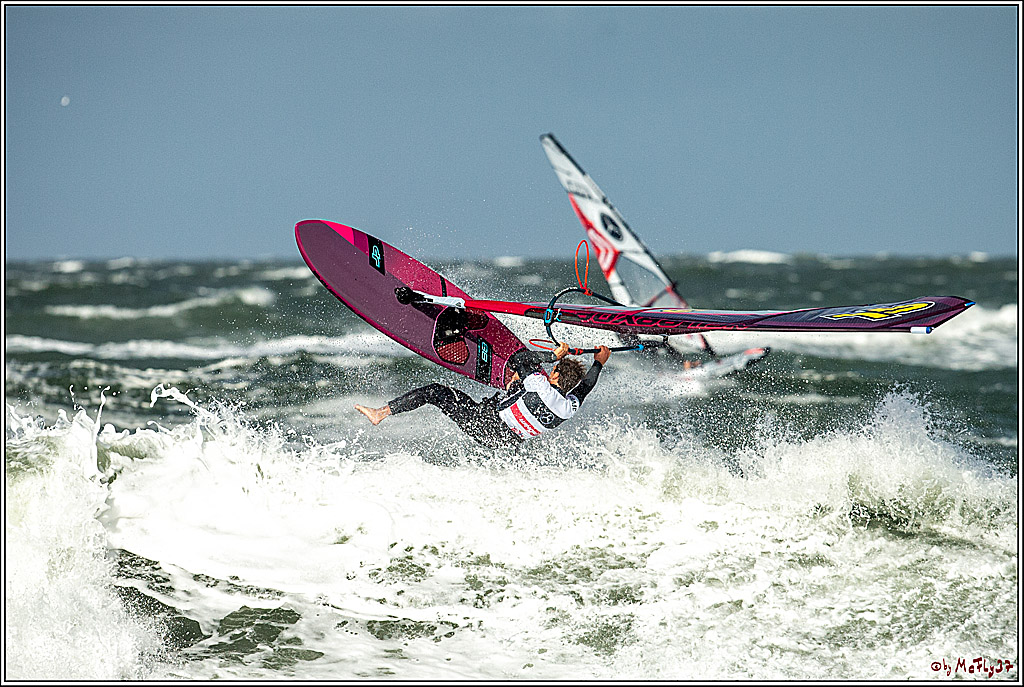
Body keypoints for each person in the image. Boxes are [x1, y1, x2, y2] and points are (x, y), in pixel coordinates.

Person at [354, 342, 611, 450]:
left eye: (551, 370)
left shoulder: (540, 384)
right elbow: (585, 387)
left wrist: (552, 356)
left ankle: (380, 413)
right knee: (518, 395)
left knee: (436, 392)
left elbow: (518, 359)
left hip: (485, 422)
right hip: (502, 442)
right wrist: (599, 363)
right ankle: (513, 391)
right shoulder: (568, 408)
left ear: (554, 376)